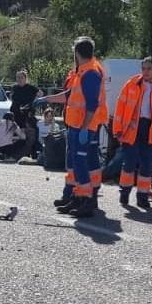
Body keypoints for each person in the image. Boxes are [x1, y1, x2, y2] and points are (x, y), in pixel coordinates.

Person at [38, 36, 109, 218]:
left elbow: (92, 104)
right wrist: (47, 99)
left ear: (76, 53)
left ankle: (85, 199)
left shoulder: (90, 73)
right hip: (78, 125)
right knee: (80, 162)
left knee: (80, 162)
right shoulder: (84, 71)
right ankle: (79, 197)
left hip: (83, 126)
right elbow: (70, 96)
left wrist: (85, 128)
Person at [112, 57, 152, 209]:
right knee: (129, 164)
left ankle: (142, 196)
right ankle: (125, 193)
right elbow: (120, 106)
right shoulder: (132, 84)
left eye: (149, 68)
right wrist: (118, 129)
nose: (145, 72)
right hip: (132, 129)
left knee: (146, 166)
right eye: (143, 68)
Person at [10, 70, 41, 159]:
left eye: (21, 77)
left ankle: (29, 153)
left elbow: (40, 94)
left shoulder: (31, 88)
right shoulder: (14, 87)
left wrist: (33, 104)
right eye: (18, 77)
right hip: (16, 113)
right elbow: (12, 97)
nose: (19, 79)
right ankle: (19, 153)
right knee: (19, 134)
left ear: (25, 78)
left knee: (29, 135)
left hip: (27, 114)